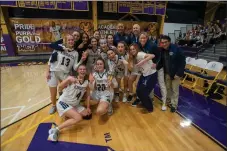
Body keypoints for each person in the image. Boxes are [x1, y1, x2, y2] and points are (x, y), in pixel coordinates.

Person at [48, 64, 91, 141]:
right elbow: (60, 87)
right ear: (77, 71)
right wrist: (67, 80)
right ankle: (56, 129)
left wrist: (88, 107)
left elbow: (88, 95)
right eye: (80, 69)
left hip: (75, 104)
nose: (82, 71)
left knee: (87, 115)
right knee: (78, 118)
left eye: (84, 69)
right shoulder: (71, 79)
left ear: (86, 71)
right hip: (63, 102)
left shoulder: (86, 82)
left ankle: (69, 114)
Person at [46, 34, 85, 114]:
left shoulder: (75, 53)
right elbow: (50, 60)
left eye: (72, 40)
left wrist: (81, 60)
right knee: (53, 92)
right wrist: (47, 71)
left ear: (74, 42)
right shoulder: (59, 48)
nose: (71, 41)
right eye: (69, 40)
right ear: (66, 41)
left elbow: (74, 67)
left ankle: (66, 104)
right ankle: (53, 105)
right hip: (54, 71)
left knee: (68, 90)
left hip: (64, 74)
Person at [160, 35, 186, 112]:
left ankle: (174, 105)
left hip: (176, 73)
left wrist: (179, 73)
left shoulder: (176, 49)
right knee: (168, 88)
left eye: (165, 42)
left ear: (169, 42)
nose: (164, 44)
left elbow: (183, 62)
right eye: (162, 42)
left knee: (175, 89)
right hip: (167, 73)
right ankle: (168, 100)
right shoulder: (162, 50)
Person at [128, 43, 157, 113]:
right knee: (138, 90)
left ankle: (150, 108)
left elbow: (152, 55)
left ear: (137, 49)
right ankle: (144, 103)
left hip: (151, 74)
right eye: (131, 49)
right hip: (144, 74)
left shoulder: (140, 54)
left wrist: (143, 61)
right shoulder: (134, 57)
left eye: (133, 49)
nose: (132, 50)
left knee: (143, 92)